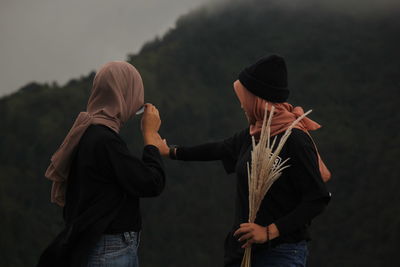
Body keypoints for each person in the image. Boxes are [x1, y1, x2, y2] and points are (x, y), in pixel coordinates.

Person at [167, 55, 331, 266]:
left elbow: (317, 198)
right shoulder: (255, 133)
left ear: (259, 100)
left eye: (245, 99)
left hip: (280, 253)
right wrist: (171, 151)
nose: (243, 106)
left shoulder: (295, 139)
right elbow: (219, 149)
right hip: (246, 252)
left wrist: (269, 232)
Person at [37, 61, 169, 267]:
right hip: (110, 249)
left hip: (101, 246)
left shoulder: (87, 132)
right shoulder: (105, 140)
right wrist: (150, 137)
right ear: (123, 95)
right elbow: (151, 182)